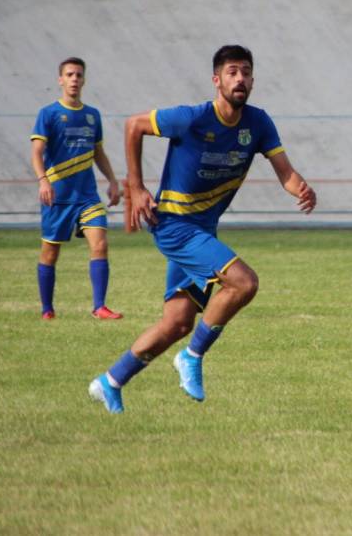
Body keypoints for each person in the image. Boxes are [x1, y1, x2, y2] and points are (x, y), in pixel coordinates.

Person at [88, 45, 316, 414]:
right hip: (174, 225)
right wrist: (137, 186)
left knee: (177, 322)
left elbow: (285, 172)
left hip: (203, 229)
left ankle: (110, 381)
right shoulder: (191, 118)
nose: (239, 78)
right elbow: (134, 125)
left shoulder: (258, 124)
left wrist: (301, 189)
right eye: (231, 72)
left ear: (253, 80)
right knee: (244, 282)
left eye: (245, 72)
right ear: (216, 80)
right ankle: (192, 357)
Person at [30, 57, 122, 321]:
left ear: (84, 80)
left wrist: (113, 181)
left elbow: (98, 152)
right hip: (57, 196)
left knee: (100, 244)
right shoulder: (48, 114)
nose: (74, 79)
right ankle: (47, 309)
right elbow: (36, 152)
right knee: (50, 252)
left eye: (78, 75)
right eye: (69, 74)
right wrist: (43, 181)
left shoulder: (92, 115)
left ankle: (99, 307)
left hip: (87, 197)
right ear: (60, 80)